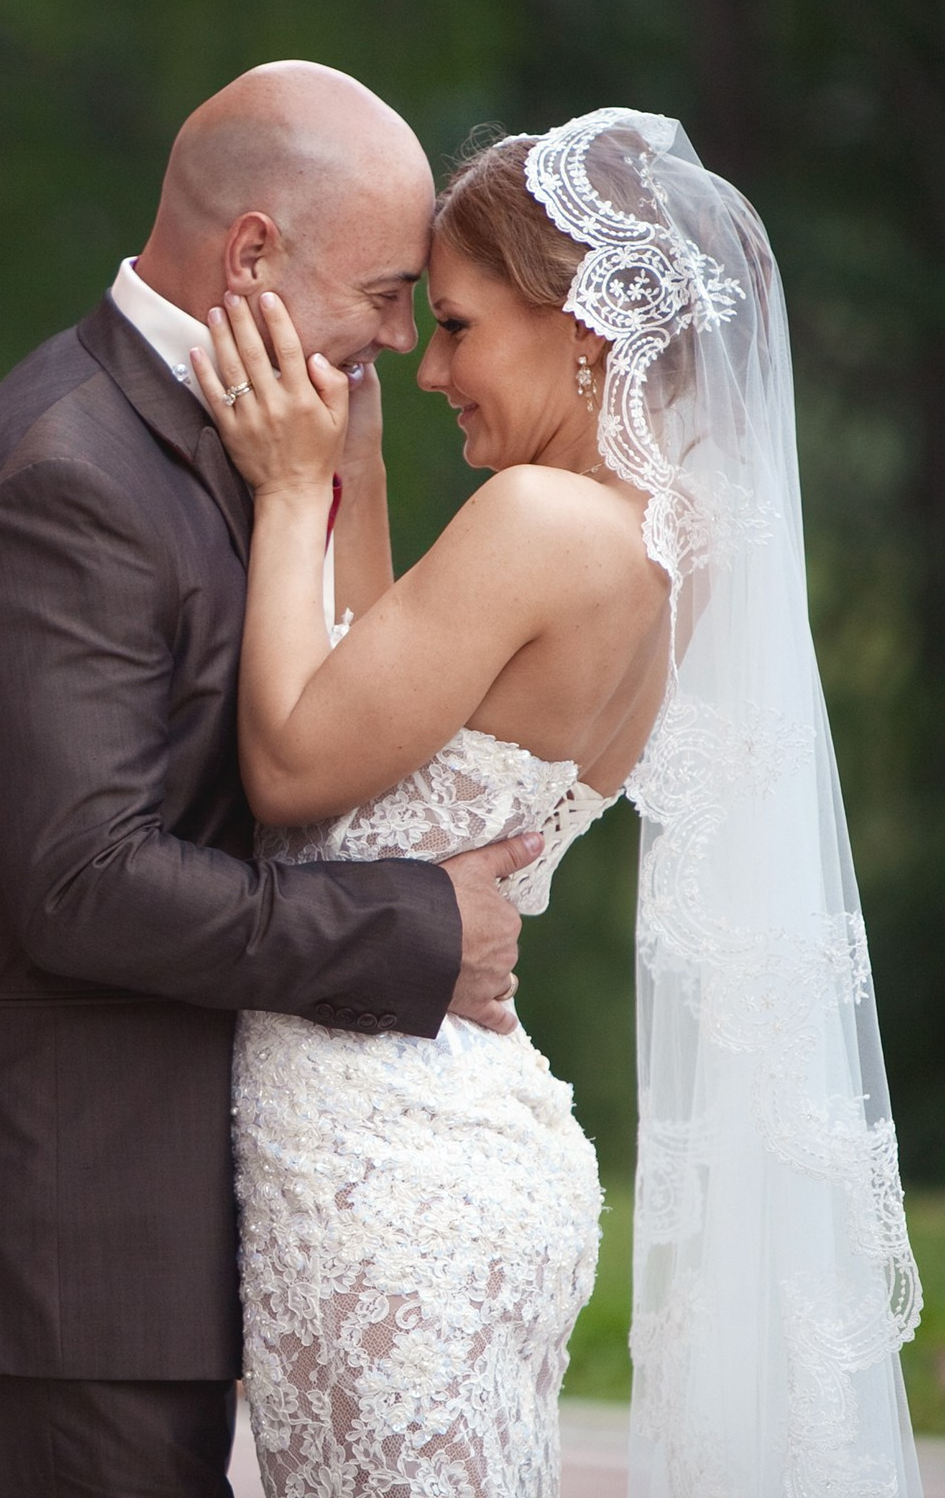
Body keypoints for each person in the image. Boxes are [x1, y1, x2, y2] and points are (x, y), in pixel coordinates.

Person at [0, 61, 544, 1497]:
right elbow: (85, 883)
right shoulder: (65, 475)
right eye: (383, 295)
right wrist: (418, 929)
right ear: (252, 253)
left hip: (128, 1235)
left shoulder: (248, 441)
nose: (399, 341)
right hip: (52, 1245)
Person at [204, 110, 923, 1496]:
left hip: (390, 1167)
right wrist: (358, 480)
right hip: (467, 1132)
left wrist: (293, 491)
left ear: (583, 324)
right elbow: (388, 692)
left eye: (460, 327)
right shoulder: (668, 558)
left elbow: (295, 764)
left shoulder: (541, 527)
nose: (427, 368)